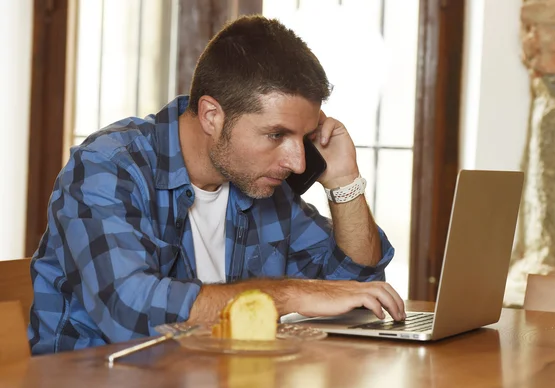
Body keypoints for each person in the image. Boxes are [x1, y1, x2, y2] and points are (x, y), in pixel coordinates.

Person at [28, 15, 404, 354]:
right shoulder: (107, 168)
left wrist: (344, 182)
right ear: (212, 115)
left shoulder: (261, 182)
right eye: (276, 134)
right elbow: (132, 312)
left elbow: (357, 291)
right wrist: (287, 295)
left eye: (302, 137)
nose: (298, 162)